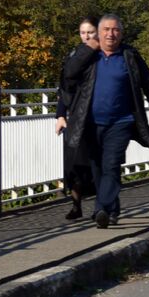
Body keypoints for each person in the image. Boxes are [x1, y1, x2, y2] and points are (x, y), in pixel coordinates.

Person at [62, 14, 149, 228]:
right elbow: (69, 74)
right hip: (90, 123)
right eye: (106, 30)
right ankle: (111, 210)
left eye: (115, 30)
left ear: (121, 33)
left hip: (121, 121)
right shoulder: (88, 55)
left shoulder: (129, 55)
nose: (111, 34)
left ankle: (101, 208)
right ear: (98, 33)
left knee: (111, 164)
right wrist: (89, 49)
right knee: (97, 167)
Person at [55, 17, 99, 220]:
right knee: (74, 163)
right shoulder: (74, 56)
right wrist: (60, 115)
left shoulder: (103, 56)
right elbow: (65, 88)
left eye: (90, 32)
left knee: (97, 164)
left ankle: (101, 207)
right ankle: (76, 205)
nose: (86, 36)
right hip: (76, 116)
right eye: (83, 32)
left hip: (97, 115)